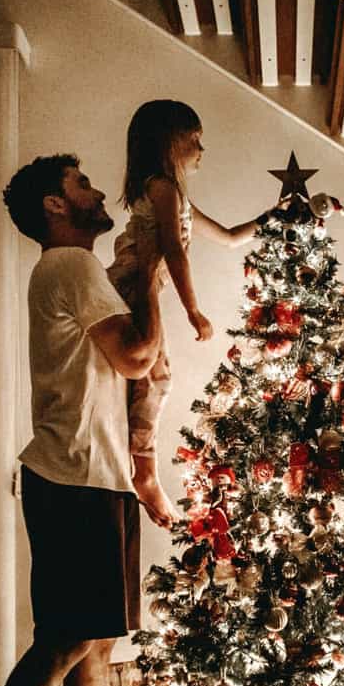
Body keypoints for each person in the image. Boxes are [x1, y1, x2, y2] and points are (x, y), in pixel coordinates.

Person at [0, 154, 179, 686]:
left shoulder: (71, 273)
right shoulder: (71, 267)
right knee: (64, 636)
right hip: (76, 475)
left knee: (93, 635)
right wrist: (150, 267)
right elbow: (139, 356)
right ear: (56, 206)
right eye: (80, 185)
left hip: (96, 474)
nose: (92, 193)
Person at [107, 99, 262, 529]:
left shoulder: (176, 196)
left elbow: (231, 238)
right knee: (156, 377)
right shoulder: (162, 188)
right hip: (128, 290)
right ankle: (145, 473)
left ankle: (140, 468)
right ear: (168, 144)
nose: (201, 149)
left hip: (138, 292)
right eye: (194, 140)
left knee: (149, 380)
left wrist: (275, 216)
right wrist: (194, 311)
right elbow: (172, 250)